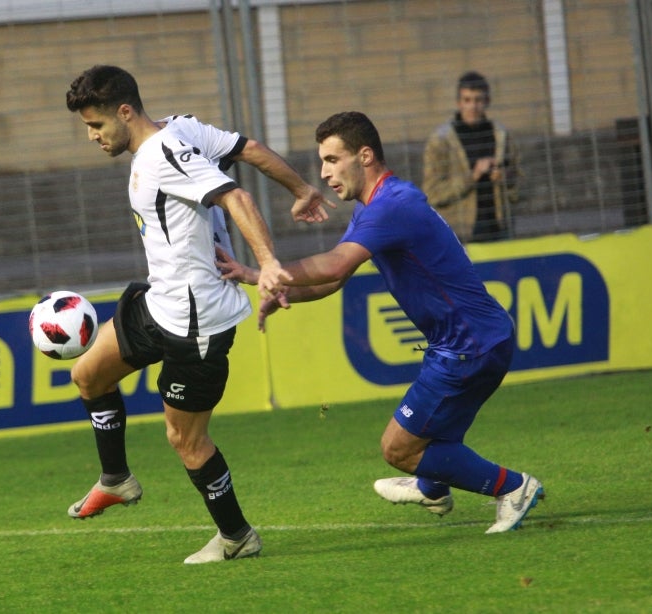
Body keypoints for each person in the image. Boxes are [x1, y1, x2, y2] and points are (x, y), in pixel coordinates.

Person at [217, 111, 544, 534]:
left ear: (365, 155)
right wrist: (269, 285)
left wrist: (267, 269)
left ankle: (513, 487)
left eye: (333, 159)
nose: (324, 173)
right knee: (431, 439)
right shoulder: (379, 204)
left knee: (398, 448)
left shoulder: (392, 207)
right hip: (478, 339)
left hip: (467, 347)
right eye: (323, 162)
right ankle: (432, 487)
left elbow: (334, 263)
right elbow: (334, 279)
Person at [63, 65, 334, 564]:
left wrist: (269, 263)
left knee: (185, 440)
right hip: (158, 302)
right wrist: (301, 190)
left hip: (196, 323)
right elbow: (248, 150)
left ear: (125, 112)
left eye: (97, 125)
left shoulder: (166, 154)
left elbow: (235, 194)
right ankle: (116, 479)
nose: (92, 137)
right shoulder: (181, 126)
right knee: (88, 374)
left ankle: (237, 537)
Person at [422, 71, 520, 243]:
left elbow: (520, 182)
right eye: (467, 100)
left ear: (487, 101)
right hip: (459, 236)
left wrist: (505, 177)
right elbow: (432, 193)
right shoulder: (441, 141)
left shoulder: (501, 135)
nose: (473, 107)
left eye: (478, 100)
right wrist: (472, 177)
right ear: (458, 103)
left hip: (498, 230)